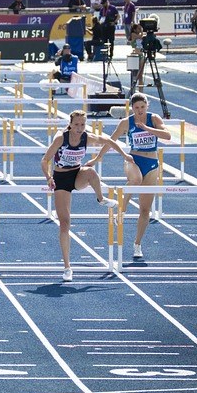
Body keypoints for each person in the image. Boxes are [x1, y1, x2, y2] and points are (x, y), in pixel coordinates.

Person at [41, 110, 133, 282]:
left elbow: (109, 141)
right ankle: (67, 267)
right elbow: (44, 160)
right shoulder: (61, 138)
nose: (79, 128)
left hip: (77, 175)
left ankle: (101, 199)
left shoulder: (87, 137)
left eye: (82, 124)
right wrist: (48, 177)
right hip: (61, 179)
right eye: (76, 124)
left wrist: (124, 155)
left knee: (91, 172)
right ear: (70, 124)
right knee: (64, 223)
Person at [90, 93, 171, 259]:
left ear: (147, 106)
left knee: (145, 209)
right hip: (133, 160)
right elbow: (111, 141)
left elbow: (168, 136)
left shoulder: (154, 119)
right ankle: (122, 208)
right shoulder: (126, 122)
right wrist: (97, 158)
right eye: (136, 108)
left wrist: (148, 129)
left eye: (142, 107)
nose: (140, 110)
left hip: (152, 164)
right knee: (136, 179)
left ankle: (137, 244)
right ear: (132, 108)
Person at [129, 23, 145, 88]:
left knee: (141, 75)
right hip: (135, 56)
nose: (139, 30)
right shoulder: (133, 34)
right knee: (135, 75)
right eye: (138, 29)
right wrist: (142, 31)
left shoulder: (139, 35)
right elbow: (140, 37)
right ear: (134, 29)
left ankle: (140, 90)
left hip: (141, 55)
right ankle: (133, 88)